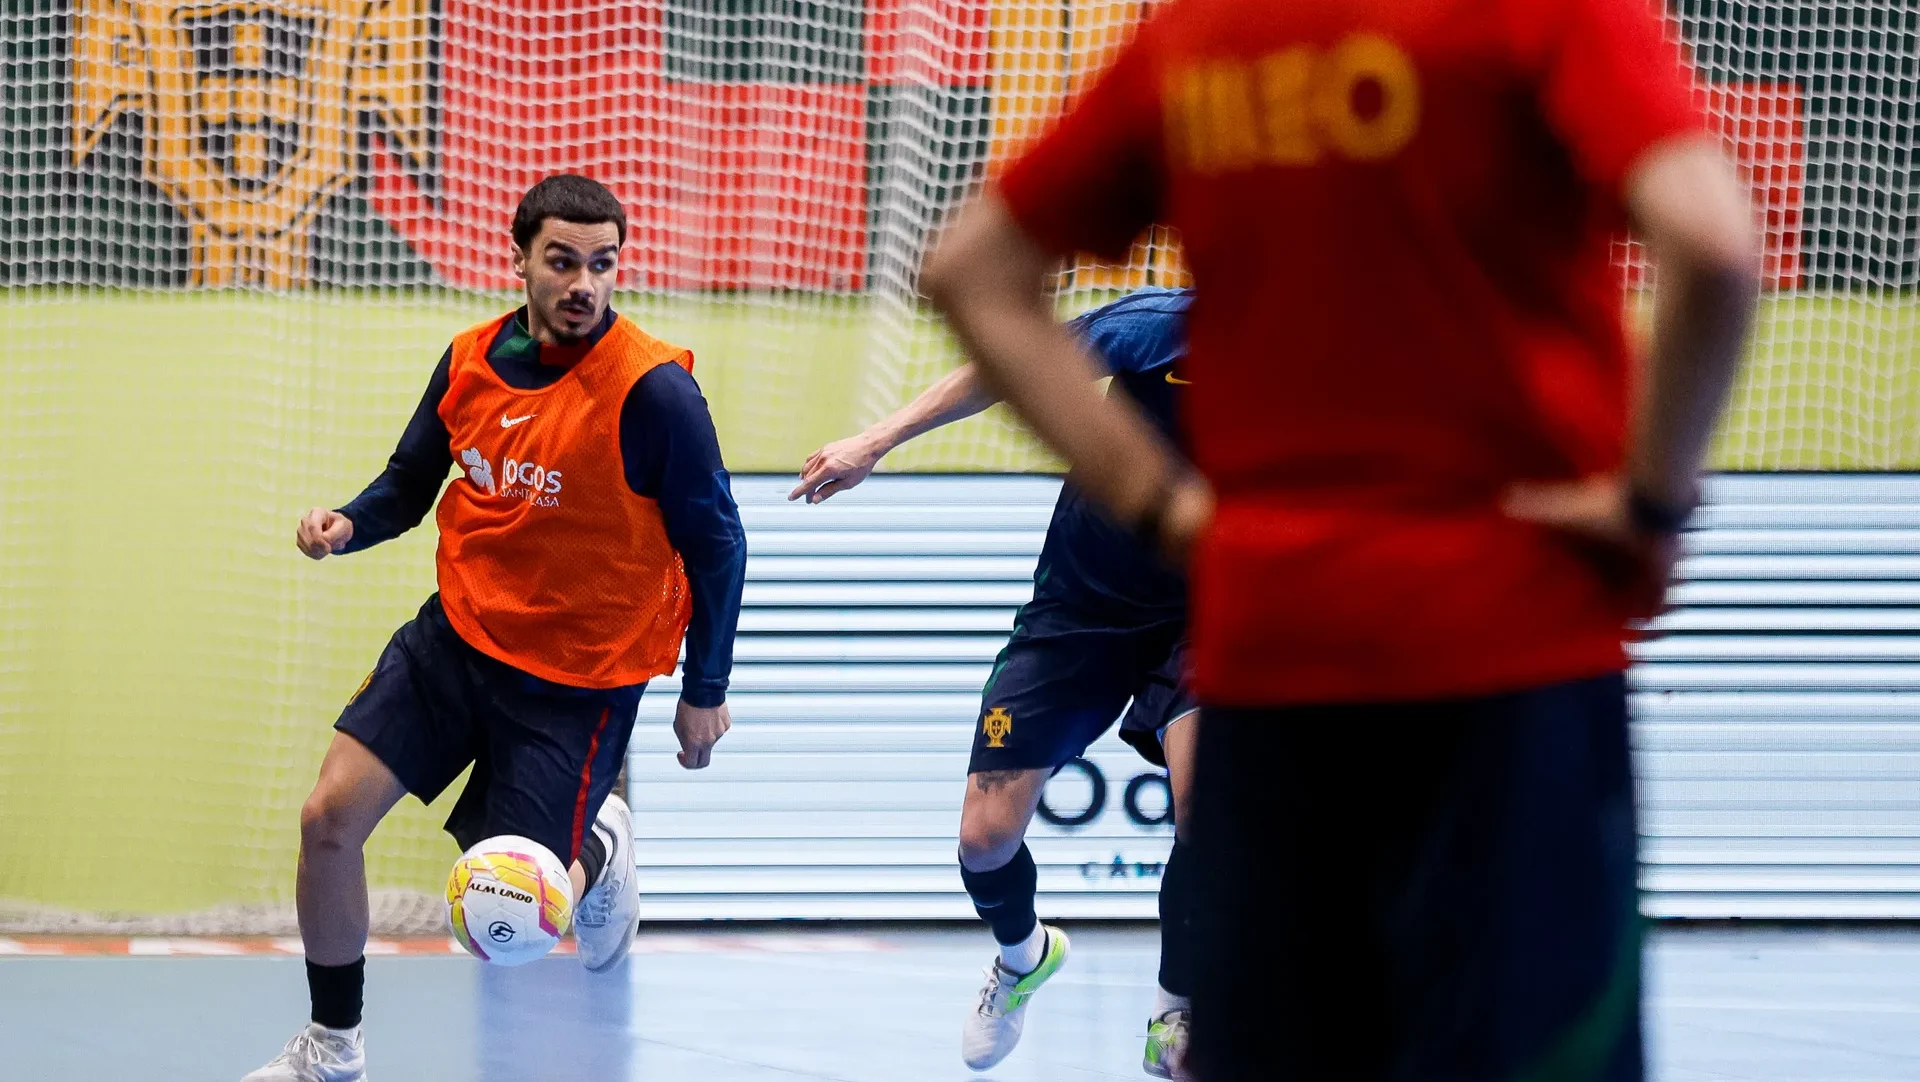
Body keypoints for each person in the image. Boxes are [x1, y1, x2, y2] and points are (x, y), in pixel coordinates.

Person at [919, 1, 1759, 1079]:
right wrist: (1650, 499)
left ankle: (1173, 1001)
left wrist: (1166, 509)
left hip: (1276, 647)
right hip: (1507, 640)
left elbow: (971, 272)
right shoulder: (1543, 12)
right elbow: (1713, 243)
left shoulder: (1205, 36)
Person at [246, 175, 747, 1082]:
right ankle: (332, 1049)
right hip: (456, 638)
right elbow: (409, 485)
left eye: (602, 264)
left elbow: (719, 543)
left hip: (578, 678)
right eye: (562, 261)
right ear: (520, 260)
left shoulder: (653, 393)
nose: (583, 283)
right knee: (328, 819)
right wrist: (348, 525)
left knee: (507, 927)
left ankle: (598, 842)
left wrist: (705, 689)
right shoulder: (470, 360)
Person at [793, 287, 1200, 1076]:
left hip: (1208, 608)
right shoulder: (1159, 326)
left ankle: (1175, 1007)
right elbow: (1011, 371)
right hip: (1080, 610)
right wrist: (875, 440)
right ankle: (1023, 957)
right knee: (984, 841)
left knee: (1205, 806)